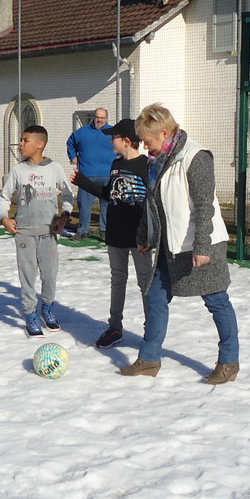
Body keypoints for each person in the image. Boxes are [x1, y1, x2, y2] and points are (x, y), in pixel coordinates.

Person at [122, 103, 240, 384]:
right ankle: (149, 359)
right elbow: (152, 203)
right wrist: (143, 235)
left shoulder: (196, 157)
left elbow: (204, 207)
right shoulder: (156, 161)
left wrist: (202, 247)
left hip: (202, 243)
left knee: (216, 301)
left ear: (164, 133)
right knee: (155, 297)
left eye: (148, 141)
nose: (145, 147)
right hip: (171, 244)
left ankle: (229, 362)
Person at [70, 118, 152, 349]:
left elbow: (152, 203)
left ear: (126, 140)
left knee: (145, 282)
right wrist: (83, 182)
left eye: (114, 137)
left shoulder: (147, 165)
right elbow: (109, 193)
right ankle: (115, 327)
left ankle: (151, 330)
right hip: (116, 235)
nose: (110, 141)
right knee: (118, 281)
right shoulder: (116, 164)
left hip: (139, 238)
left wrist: (148, 234)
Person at [0, 125, 74, 338]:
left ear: (40, 144)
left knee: (49, 275)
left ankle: (47, 308)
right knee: (27, 276)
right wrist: (4, 218)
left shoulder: (54, 168)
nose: (21, 144)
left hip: (48, 232)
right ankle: (30, 313)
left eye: (25, 140)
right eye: (21, 140)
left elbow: (68, 195)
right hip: (24, 233)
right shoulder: (18, 170)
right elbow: (4, 197)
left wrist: (64, 217)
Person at [65, 107, 114, 240]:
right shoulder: (82, 132)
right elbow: (70, 143)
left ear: (106, 118)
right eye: (97, 117)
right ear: (94, 117)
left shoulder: (113, 132)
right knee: (84, 205)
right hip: (86, 175)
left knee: (106, 204)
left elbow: (122, 146)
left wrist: (119, 160)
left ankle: (104, 231)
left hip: (107, 175)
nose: (99, 120)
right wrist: (73, 158)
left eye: (102, 118)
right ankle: (83, 230)